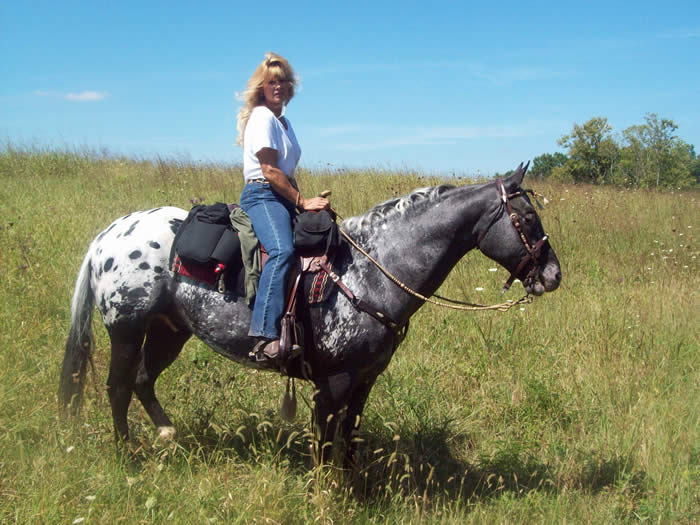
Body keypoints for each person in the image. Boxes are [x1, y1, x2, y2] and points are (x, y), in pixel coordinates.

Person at [236, 52, 329, 362]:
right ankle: (264, 336)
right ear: (261, 87)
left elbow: (286, 172)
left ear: (290, 87)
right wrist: (302, 201)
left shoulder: (284, 123)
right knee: (282, 251)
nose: (277, 86)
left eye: (282, 81)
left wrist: (306, 203)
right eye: (271, 82)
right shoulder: (262, 117)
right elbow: (269, 170)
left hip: (282, 195)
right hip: (262, 195)